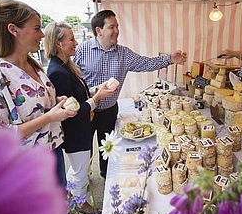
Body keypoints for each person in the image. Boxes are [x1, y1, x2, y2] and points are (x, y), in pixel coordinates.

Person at [0, 0, 77, 187]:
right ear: (14, 30)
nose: (43, 34)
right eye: (37, 28)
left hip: (52, 150)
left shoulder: (34, 66)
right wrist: (49, 117)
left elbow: (35, 108)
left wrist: (55, 104)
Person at [73, 9, 187, 178]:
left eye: (117, 26)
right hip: (86, 111)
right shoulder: (82, 50)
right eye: (112, 27)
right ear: (99, 30)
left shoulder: (124, 53)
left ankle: (107, 177)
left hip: (109, 111)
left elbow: (146, 63)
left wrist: (169, 59)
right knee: (84, 151)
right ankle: (84, 180)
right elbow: (73, 77)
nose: (117, 31)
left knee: (108, 151)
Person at [44, 21, 116, 214]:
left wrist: (96, 89)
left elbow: (77, 96)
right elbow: (72, 111)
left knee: (79, 166)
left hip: (80, 129)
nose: (76, 42)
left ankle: (73, 192)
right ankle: (81, 203)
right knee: (81, 169)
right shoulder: (57, 72)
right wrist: (96, 98)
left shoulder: (65, 65)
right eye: (71, 39)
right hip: (75, 131)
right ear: (58, 43)